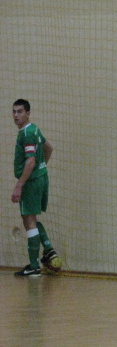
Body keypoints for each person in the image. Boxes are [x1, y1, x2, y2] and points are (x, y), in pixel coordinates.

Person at [11, 99, 59, 277]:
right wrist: (42, 169)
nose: (16, 115)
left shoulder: (27, 133)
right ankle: (48, 250)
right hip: (40, 178)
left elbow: (30, 161)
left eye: (20, 111)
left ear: (28, 113)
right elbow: (49, 148)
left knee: (28, 219)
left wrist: (19, 185)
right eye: (14, 112)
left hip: (31, 182)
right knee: (31, 217)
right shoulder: (35, 129)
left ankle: (34, 266)